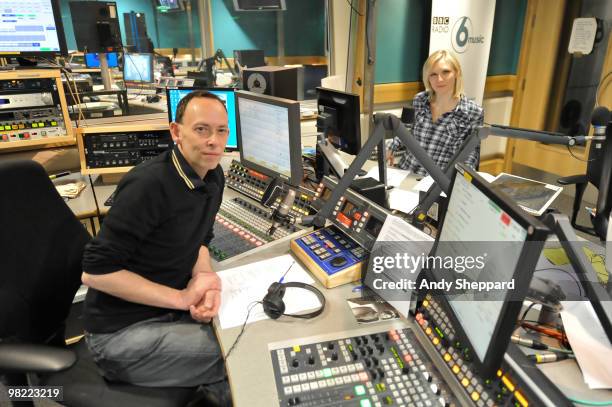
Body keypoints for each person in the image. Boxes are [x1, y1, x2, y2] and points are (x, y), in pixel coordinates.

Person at [81, 90, 230, 401]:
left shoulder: (213, 176)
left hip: (165, 314)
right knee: (238, 350)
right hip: (119, 336)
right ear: (176, 132)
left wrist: (205, 279)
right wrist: (181, 297)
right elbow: (95, 272)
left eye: (221, 130)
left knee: (239, 329)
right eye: (201, 129)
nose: (214, 141)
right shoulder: (148, 185)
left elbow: (200, 239)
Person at [390, 49, 484, 176]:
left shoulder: (473, 112)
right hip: (406, 173)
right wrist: (390, 148)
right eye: (433, 74)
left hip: (438, 183)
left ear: (457, 73)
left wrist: (463, 181)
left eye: (445, 72)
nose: (439, 79)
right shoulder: (419, 100)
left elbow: (470, 156)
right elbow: (405, 131)